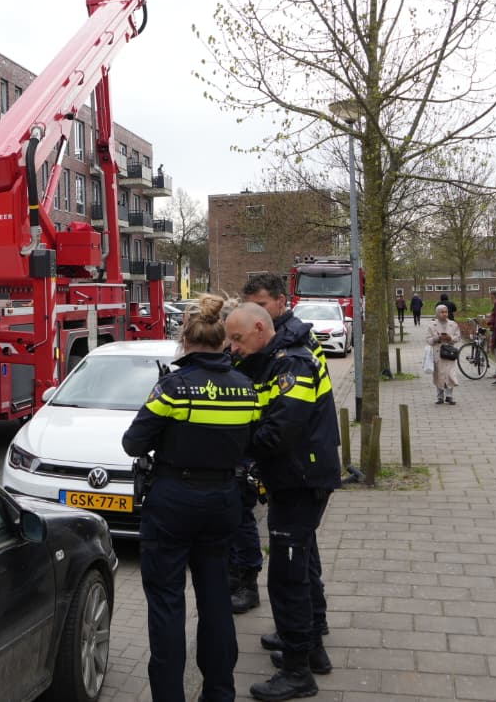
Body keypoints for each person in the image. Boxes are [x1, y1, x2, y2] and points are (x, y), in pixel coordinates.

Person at [122, 294, 260, 702]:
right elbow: (250, 442)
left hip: (172, 503)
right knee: (216, 598)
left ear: (185, 338)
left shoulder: (173, 388)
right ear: (223, 340)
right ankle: (219, 693)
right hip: (223, 503)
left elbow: (133, 443)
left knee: (167, 604)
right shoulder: (246, 389)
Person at [225, 302, 341, 701]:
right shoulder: (274, 361)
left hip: (299, 480)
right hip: (298, 479)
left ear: (260, 328)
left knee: (286, 578)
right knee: (302, 566)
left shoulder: (293, 366)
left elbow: (279, 433)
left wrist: (234, 445)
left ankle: (297, 674)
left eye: (238, 339)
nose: (235, 347)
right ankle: (311, 652)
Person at [229, 273, 329, 613]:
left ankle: (301, 642)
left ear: (281, 302)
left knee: (291, 565)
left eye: (261, 305)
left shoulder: (290, 349)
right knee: (303, 553)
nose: (257, 314)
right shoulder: (280, 343)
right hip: (300, 463)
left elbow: (286, 419)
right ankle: (310, 628)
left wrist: (241, 446)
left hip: (301, 466)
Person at [425, 304, 462, 405]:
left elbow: (458, 337)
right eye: (442, 312)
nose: (444, 314)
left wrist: (450, 338)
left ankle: (449, 396)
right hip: (438, 353)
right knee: (438, 374)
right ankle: (440, 396)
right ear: (437, 313)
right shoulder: (432, 325)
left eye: (446, 312)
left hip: (450, 352)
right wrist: (437, 338)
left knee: (450, 374)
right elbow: (428, 340)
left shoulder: (453, 324)